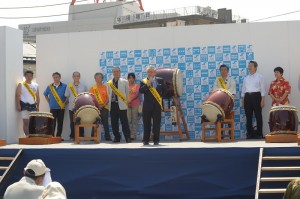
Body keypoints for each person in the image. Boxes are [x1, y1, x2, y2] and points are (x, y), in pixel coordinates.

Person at [139, 65, 164, 145]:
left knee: (156, 124)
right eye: (149, 72)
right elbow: (141, 91)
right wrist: (147, 84)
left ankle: (156, 140)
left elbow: (164, 91)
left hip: (157, 106)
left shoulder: (160, 80)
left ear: (155, 72)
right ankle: (146, 140)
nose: (150, 73)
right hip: (147, 106)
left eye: (152, 71)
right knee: (146, 124)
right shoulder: (143, 81)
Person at [241, 61, 266, 139]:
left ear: (255, 67)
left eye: (251, 66)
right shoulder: (246, 78)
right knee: (248, 116)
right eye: (249, 66)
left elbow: (263, 89)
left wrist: (262, 100)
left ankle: (259, 133)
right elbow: (243, 90)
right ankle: (249, 133)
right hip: (247, 97)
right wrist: (243, 101)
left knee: (258, 115)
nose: (249, 67)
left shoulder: (260, 77)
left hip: (257, 96)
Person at [107, 67, 131, 143]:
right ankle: (117, 137)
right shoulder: (109, 83)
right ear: (112, 73)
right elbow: (109, 94)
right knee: (114, 123)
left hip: (122, 105)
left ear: (120, 72)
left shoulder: (125, 81)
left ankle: (127, 137)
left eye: (117, 71)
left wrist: (127, 102)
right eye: (114, 71)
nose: (116, 73)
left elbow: (127, 93)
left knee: (124, 122)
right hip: (113, 104)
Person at [16, 70, 40, 137]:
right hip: (24, 105)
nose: (29, 77)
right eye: (27, 76)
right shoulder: (21, 84)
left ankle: (32, 136)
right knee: (26, 122)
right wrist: (18, 105)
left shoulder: (36, 85)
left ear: (32, 77)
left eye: (30, 76)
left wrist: (38, 106)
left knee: (32, 122)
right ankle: (27, 136)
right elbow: (18, 95)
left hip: (33, 105)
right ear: (25, 76)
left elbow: (37, 96)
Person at [44, 72, 67, 139]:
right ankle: (52, 136)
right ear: (53, 78)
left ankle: (58, 136)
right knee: (52, 123)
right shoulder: (50, 86)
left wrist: (65, 102)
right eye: (54, 77)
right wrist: (49, 102)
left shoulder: (65, 86)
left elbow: (68, 95)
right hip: (53, 107)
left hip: (61, 107)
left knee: (60, 123)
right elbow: (45, 94)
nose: (56, 78)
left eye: (57, 77)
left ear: (60, 78)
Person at [64, 71, 87, 140]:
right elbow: (67, 96)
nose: (76, 77)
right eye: (74, 76)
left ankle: (81, 135)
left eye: (77, 76)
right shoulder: (69, 85)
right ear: (72, 77)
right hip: (72, 107)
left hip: (81, 107)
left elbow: (85, 96)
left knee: (81, 121)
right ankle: (73, 136)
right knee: (72, 121)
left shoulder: (83, 86)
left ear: (79, 77)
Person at [89, 72, 111, 141]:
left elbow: (108, 98)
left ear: (102, 79)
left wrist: (103, 105)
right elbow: (91, 98)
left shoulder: (106, 87)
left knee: (105, 122)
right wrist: (97, 106)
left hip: (105, 107)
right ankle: (93, 137)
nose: (98, 79)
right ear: (95, 79)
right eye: (97, 78)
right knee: (94, 122)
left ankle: (107, 137)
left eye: (100, 77)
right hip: (95, 108)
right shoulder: (92, 88)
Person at [127, 73, 140, 140]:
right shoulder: (126, 86)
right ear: (127, 79)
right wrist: (127, 102)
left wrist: (130, 100)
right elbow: (123, 95)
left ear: (134, 79)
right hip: (127, 105)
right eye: (129, 78)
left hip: (135, 104)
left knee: (134, 120)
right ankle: (129, 134)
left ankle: (133, 135)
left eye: (132, 78)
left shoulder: (137, 86)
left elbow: (137, 94)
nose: (131, 79)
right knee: (128, 120)